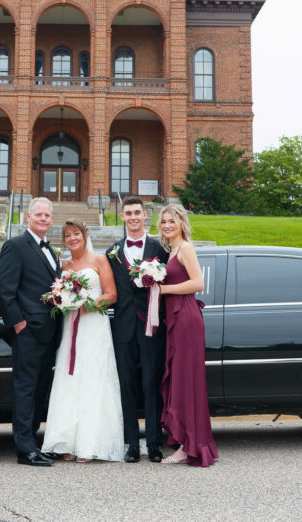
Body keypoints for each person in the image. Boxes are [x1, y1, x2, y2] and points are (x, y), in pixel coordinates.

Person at [42, 220, 124, 462]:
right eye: (67, 235)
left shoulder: (99, 260)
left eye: (76, 233)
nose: (72, 239)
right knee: (70, 379)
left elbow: (111, 295)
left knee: (92, 378)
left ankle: (91, 443)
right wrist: (65, 302)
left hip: (94, 325)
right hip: (70, 327)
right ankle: (68, 441)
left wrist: (86, 305)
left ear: (86, 235)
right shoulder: (63, 265)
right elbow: (58, 294)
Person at [0, 197, 61, 467]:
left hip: (50, 332)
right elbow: (4, 290)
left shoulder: (50, 250)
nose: (43, 219)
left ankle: (32, 441)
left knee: (40, 388)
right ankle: (24, 448)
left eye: (47, 215)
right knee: (25, 388)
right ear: (28, 217)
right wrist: (18, 323)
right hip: (28, 332)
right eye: (39, 215)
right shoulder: (15, 246)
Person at [106, 196, 170, 463]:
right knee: (127, 385)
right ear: (122, 217)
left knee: (151, 384)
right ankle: (132, 443)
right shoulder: (111, 252)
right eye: (128, 213)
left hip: (151, 327)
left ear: (145, 216)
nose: (133, 217)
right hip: (122, 328)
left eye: (137, 213)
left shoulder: (159, 248)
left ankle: (154, 443)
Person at [157, 204, 219, 467]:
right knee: (181, 380)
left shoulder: (186, 248)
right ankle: (185, 440)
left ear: (182, 223)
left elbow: (198, 283)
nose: (167, 225)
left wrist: (164, 290)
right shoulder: (171, 251)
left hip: (186, 319)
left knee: (186, 381)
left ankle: (190, 445)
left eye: (172, 221)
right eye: (163, 222)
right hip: (175, 319)